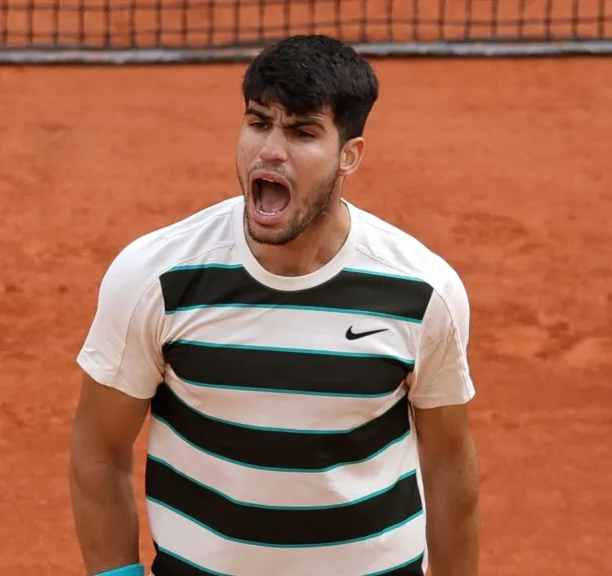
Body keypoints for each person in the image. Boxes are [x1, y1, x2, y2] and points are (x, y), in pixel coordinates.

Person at [68, 34, 480, 576]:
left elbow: (449, 468)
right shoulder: (158, 279)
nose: (270, 150)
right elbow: (98, 451)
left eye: (303, 132)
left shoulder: (420, 292)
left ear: (349, 155)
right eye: (259, 122)